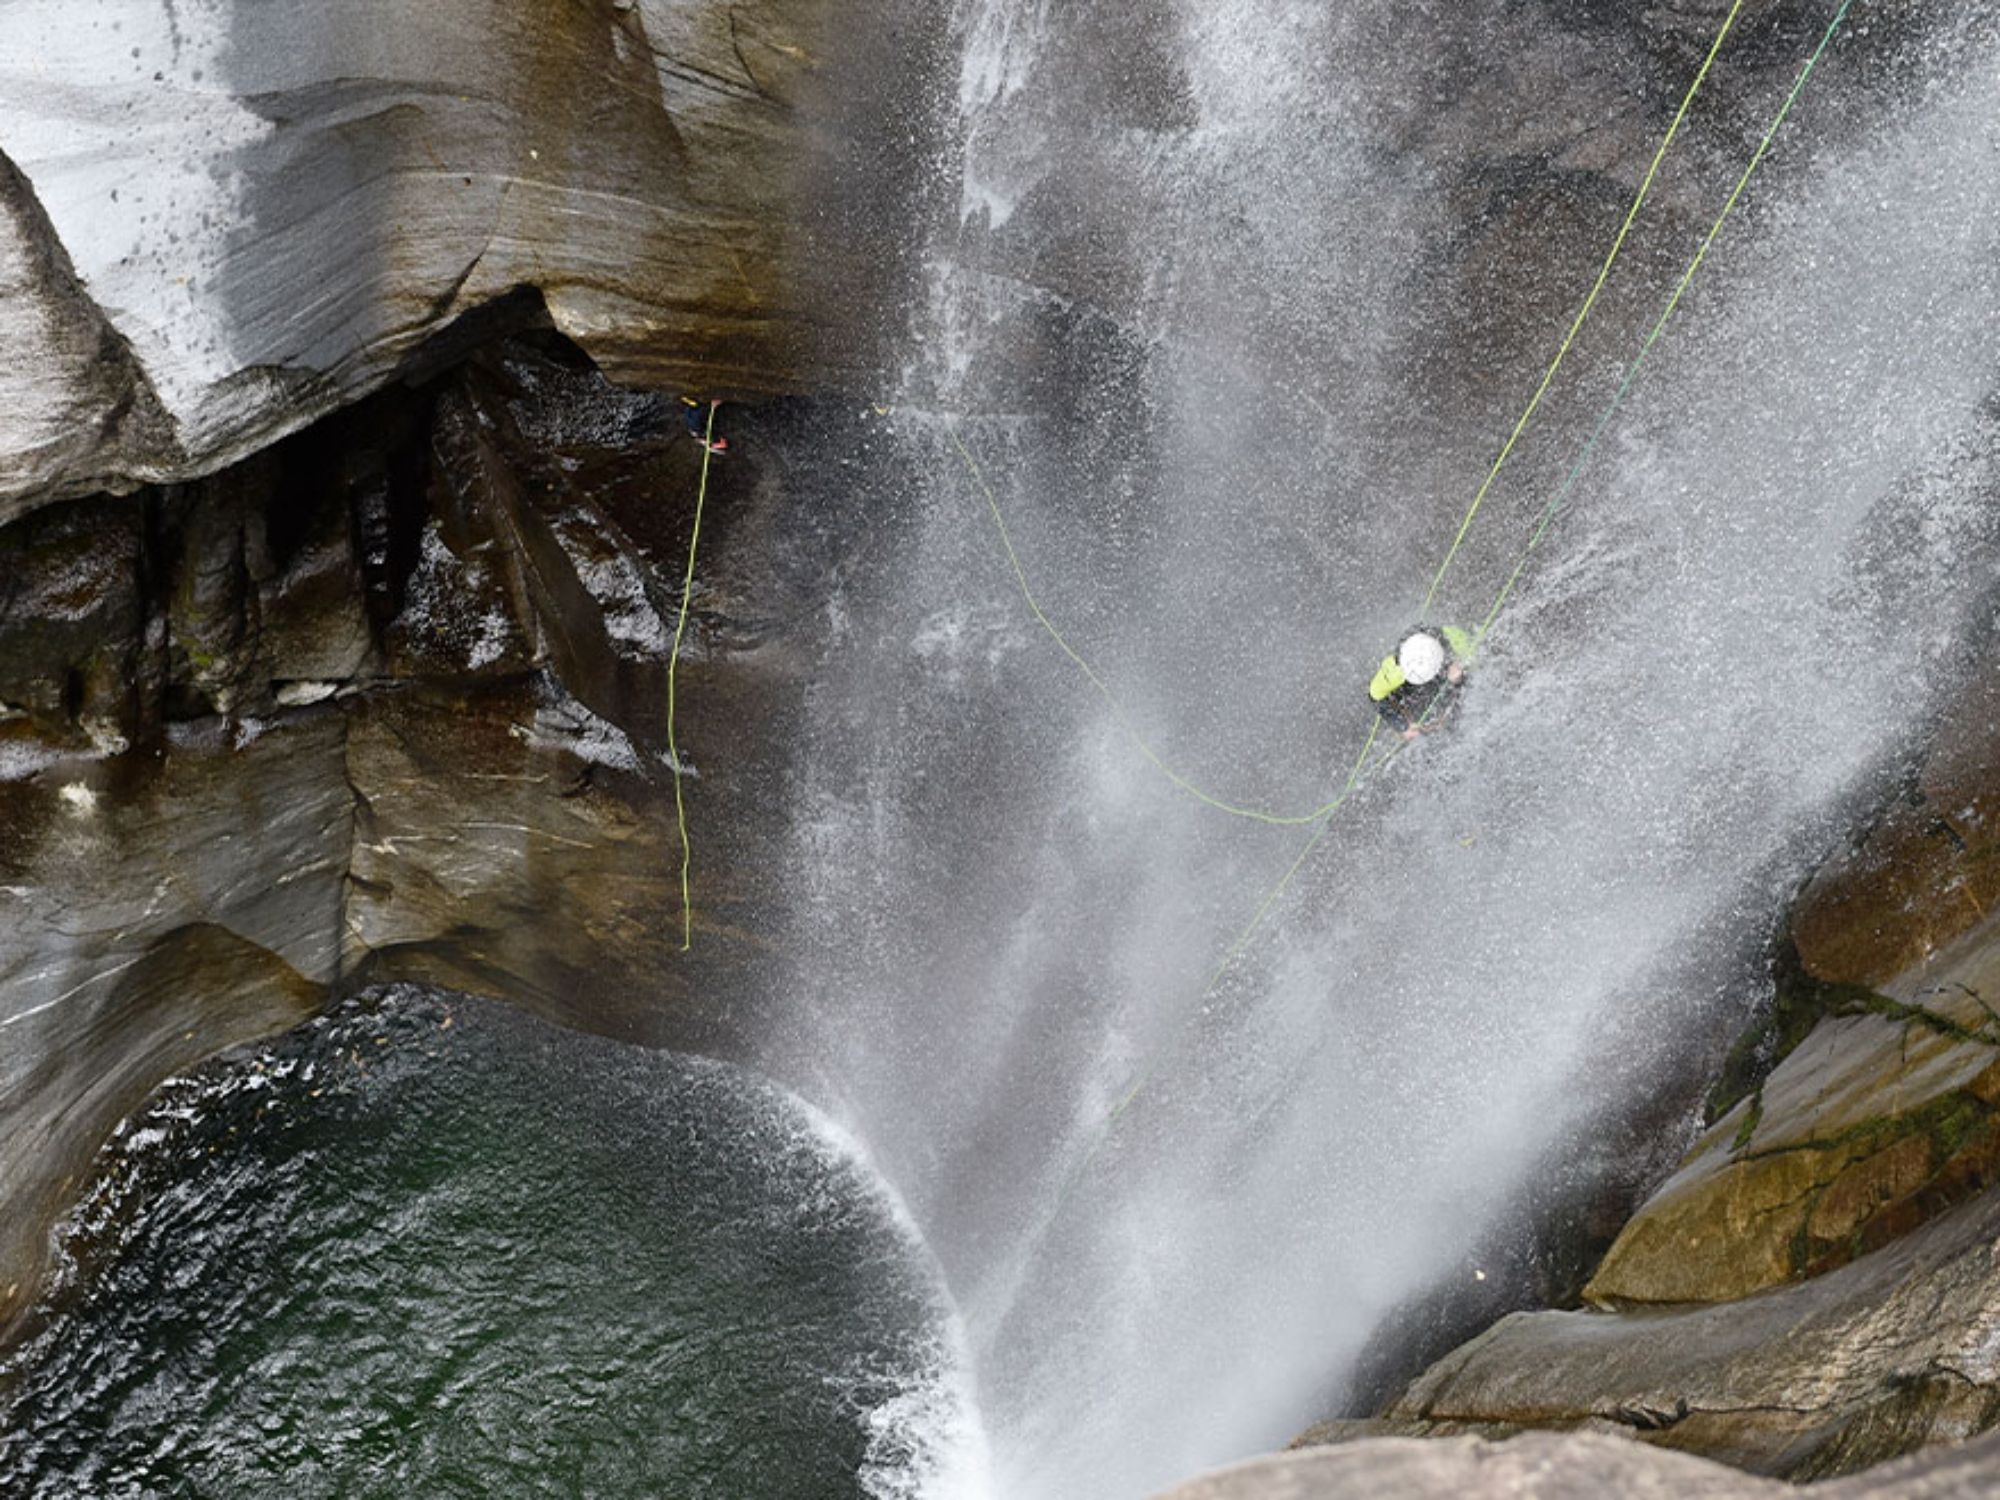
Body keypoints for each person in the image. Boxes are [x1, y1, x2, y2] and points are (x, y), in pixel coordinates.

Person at [1368, 625, 1473, 740]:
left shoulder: (1454, 639)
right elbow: (1374, 696)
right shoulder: (1395, 671)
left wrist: (1460, 675)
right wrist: (1402, 726)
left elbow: (1474, 665)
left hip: (1440, 656)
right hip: (1411, 669)